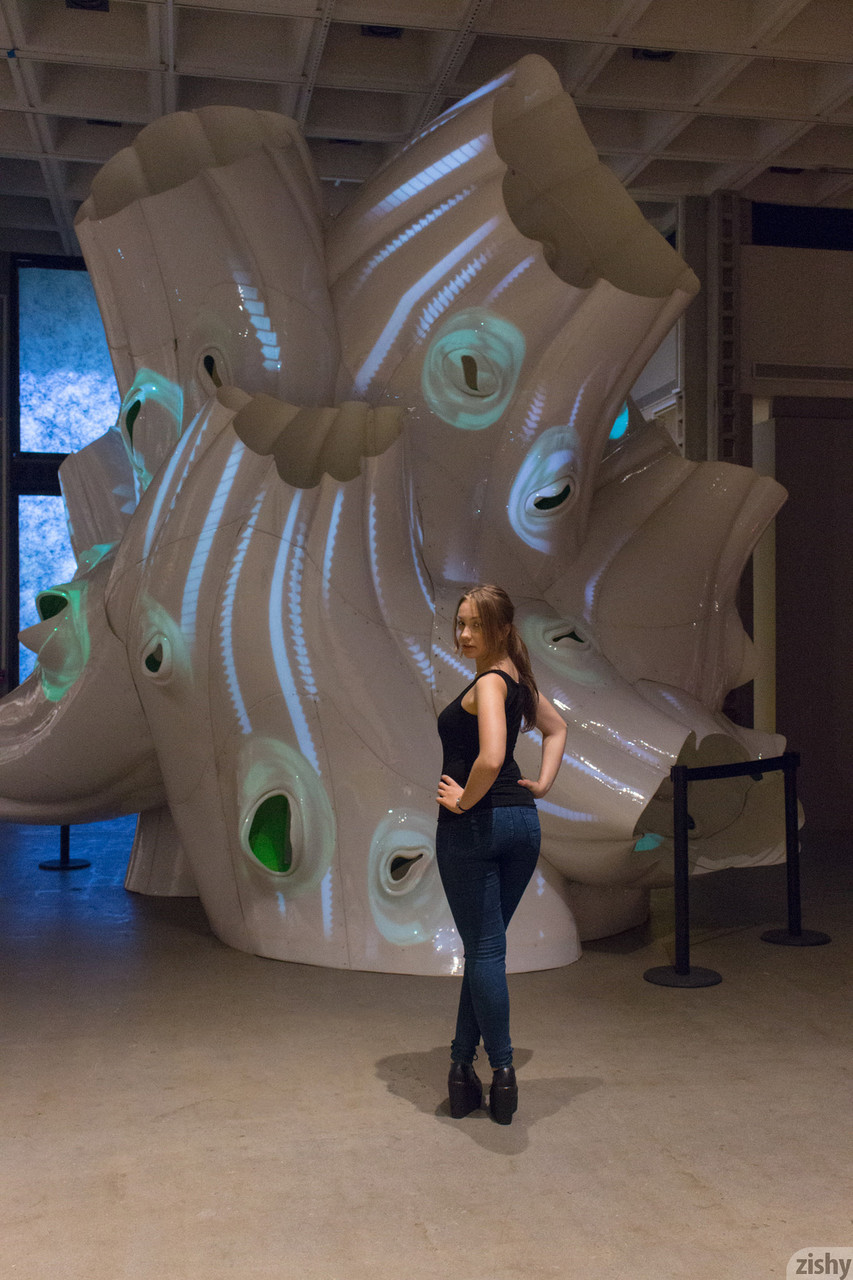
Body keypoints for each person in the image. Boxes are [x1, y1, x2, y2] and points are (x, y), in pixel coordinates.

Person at [435, 584, 567, 1124]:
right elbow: (558, 730)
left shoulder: (491, 681)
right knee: (483, 951)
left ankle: (503, 1072)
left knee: (485, 953)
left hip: (477, 829)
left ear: (503, 629)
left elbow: (490, 758)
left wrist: (463, 801)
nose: (465, 634)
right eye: (461, 623)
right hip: (522, 827)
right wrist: (543, 785)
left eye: (477, 625)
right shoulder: (517, 680)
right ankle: (460, 1067)